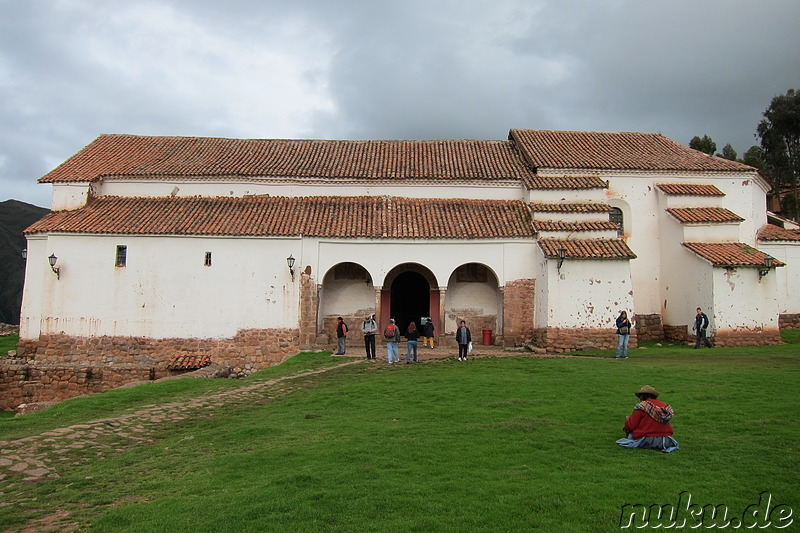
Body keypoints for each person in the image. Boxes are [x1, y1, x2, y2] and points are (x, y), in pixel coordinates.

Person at [617, 385, 679, 453]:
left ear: (642, 396)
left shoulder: (641, 407)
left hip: (648, 440)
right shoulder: (663, 406)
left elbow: (632, 426)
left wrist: (627, 420)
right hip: (667, 441)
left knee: (631, 432)